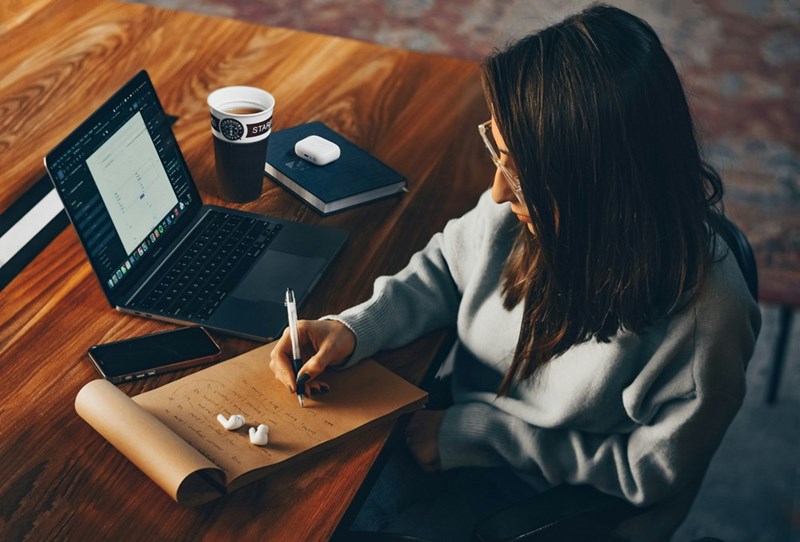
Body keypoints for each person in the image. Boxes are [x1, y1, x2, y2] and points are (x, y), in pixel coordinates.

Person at [269, 4, 761, 541]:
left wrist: (477, 436)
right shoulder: (534, 207)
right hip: (454, 431)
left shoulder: (706, 320)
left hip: (546, 503)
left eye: (519, 172)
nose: (500, 192)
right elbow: (445, 266)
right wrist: (354, 328)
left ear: (596, 187)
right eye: (501, 155)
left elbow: (651, 473)